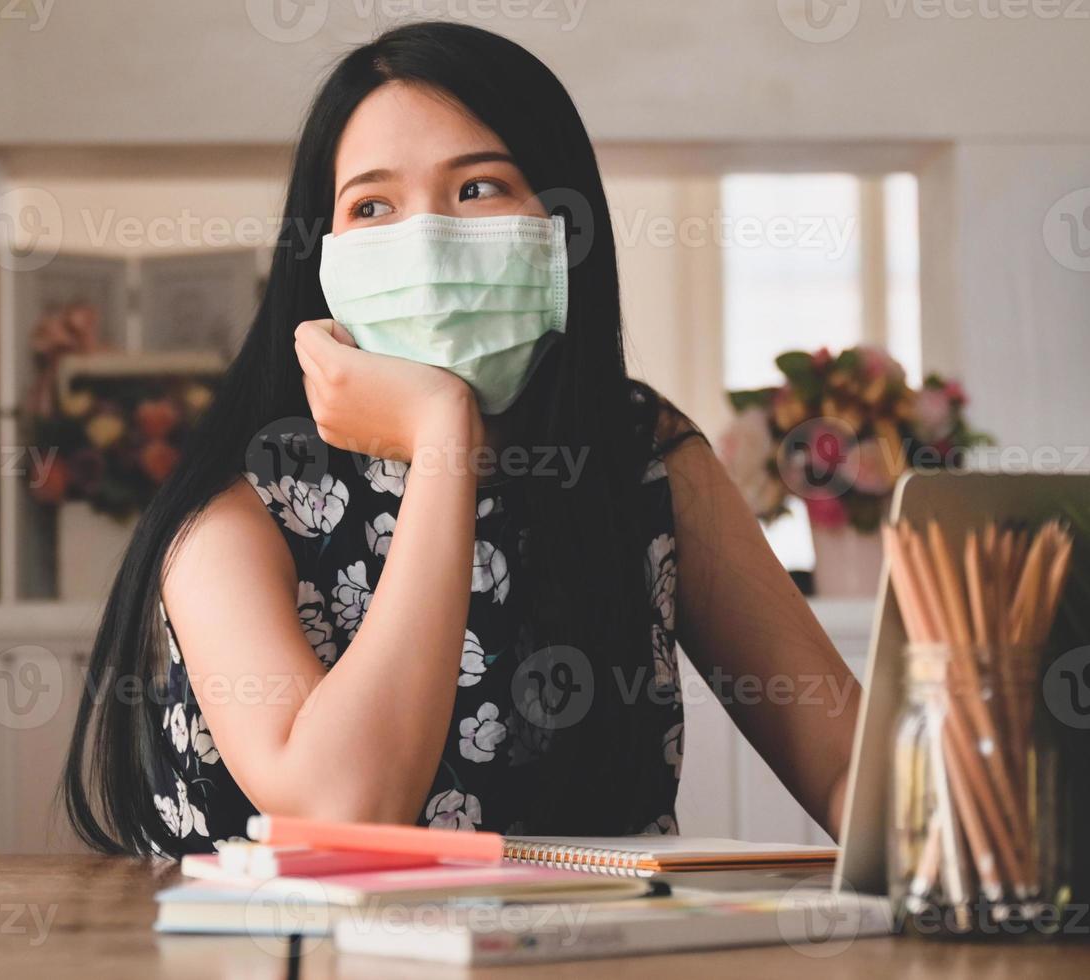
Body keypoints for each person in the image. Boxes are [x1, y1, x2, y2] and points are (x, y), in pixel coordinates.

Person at [61, 21, 860, 856]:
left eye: (477, 189)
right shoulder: (233, 508)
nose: (428, 240)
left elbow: (843, 765)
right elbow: (343, 815)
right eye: (371, 205)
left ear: (562, 222)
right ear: (321, 256)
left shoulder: (642, 455)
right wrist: (443, 436)